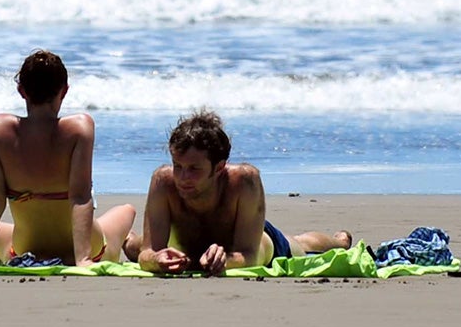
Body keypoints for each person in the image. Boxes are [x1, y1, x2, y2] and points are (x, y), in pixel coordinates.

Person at [0, 50, 137, 267]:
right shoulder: (79, 128)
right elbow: (80, 197)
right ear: (64, 91)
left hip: (25, 251)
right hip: (82, 250)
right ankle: (128, 240)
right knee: (126, 211)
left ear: (21, 91)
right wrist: (83, 259)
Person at [128, 110, 352, 275]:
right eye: (178, 166)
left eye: (194, 169)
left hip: (251, 242)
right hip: (185, 243)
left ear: (218, 167)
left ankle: (339, 241)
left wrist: (224, 259)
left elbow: (250, 257)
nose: (183, 178)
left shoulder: (244, 180)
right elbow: (147, 253)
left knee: (301, 244)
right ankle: (125, 238)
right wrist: (155, 259)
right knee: (134, 247)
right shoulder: (163, 181)